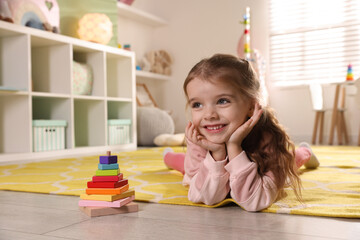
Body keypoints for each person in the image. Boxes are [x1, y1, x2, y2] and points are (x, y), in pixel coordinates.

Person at [163, 54, 319, 212]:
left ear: (251, 107)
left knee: (292, 159)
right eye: (197, 104)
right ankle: (168, 157)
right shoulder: (199, 136)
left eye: (222, 101)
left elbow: (255, 201)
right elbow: (205, 197)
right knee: (183, 165)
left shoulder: (267, 137)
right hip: (203, 168)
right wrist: (217, 153)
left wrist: (234, 146)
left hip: (264, 161)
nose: (209, 115)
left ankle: (306, 151)